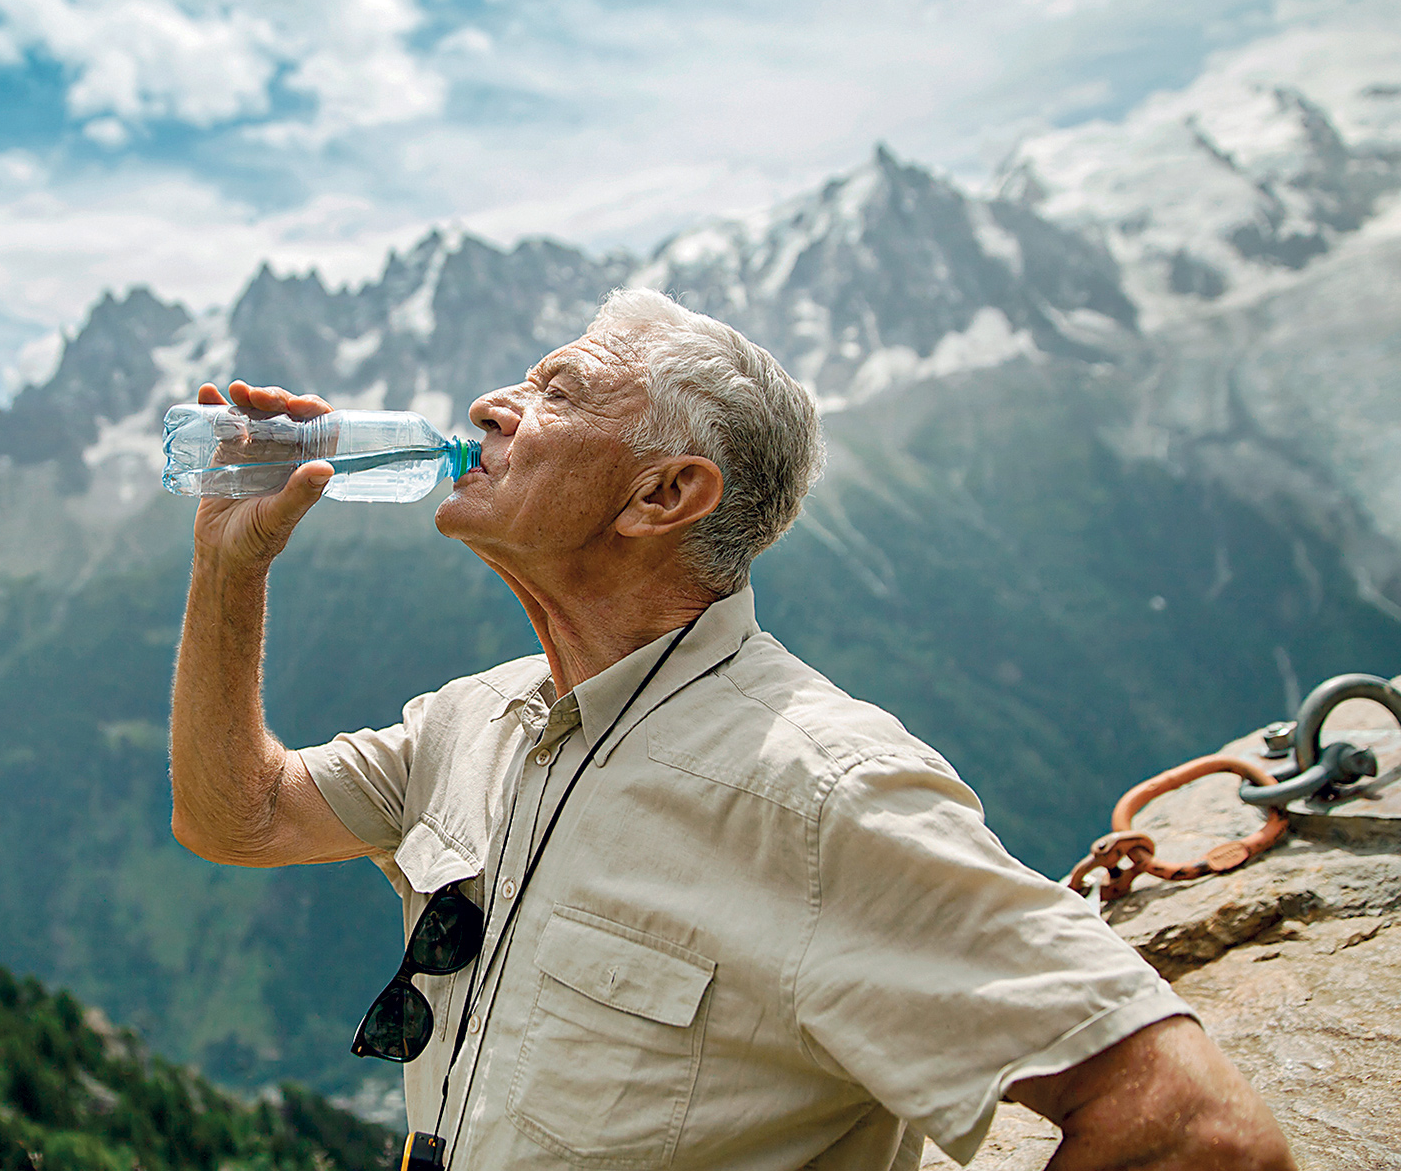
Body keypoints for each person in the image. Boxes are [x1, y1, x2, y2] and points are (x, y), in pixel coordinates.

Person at [169, 288, 1295, 1170]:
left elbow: (1193, 1135)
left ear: (663, 496)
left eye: (557, 390)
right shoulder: (479, 718)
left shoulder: (822, 792)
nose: (488, 408)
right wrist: (231, 564)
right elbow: (240, 815)